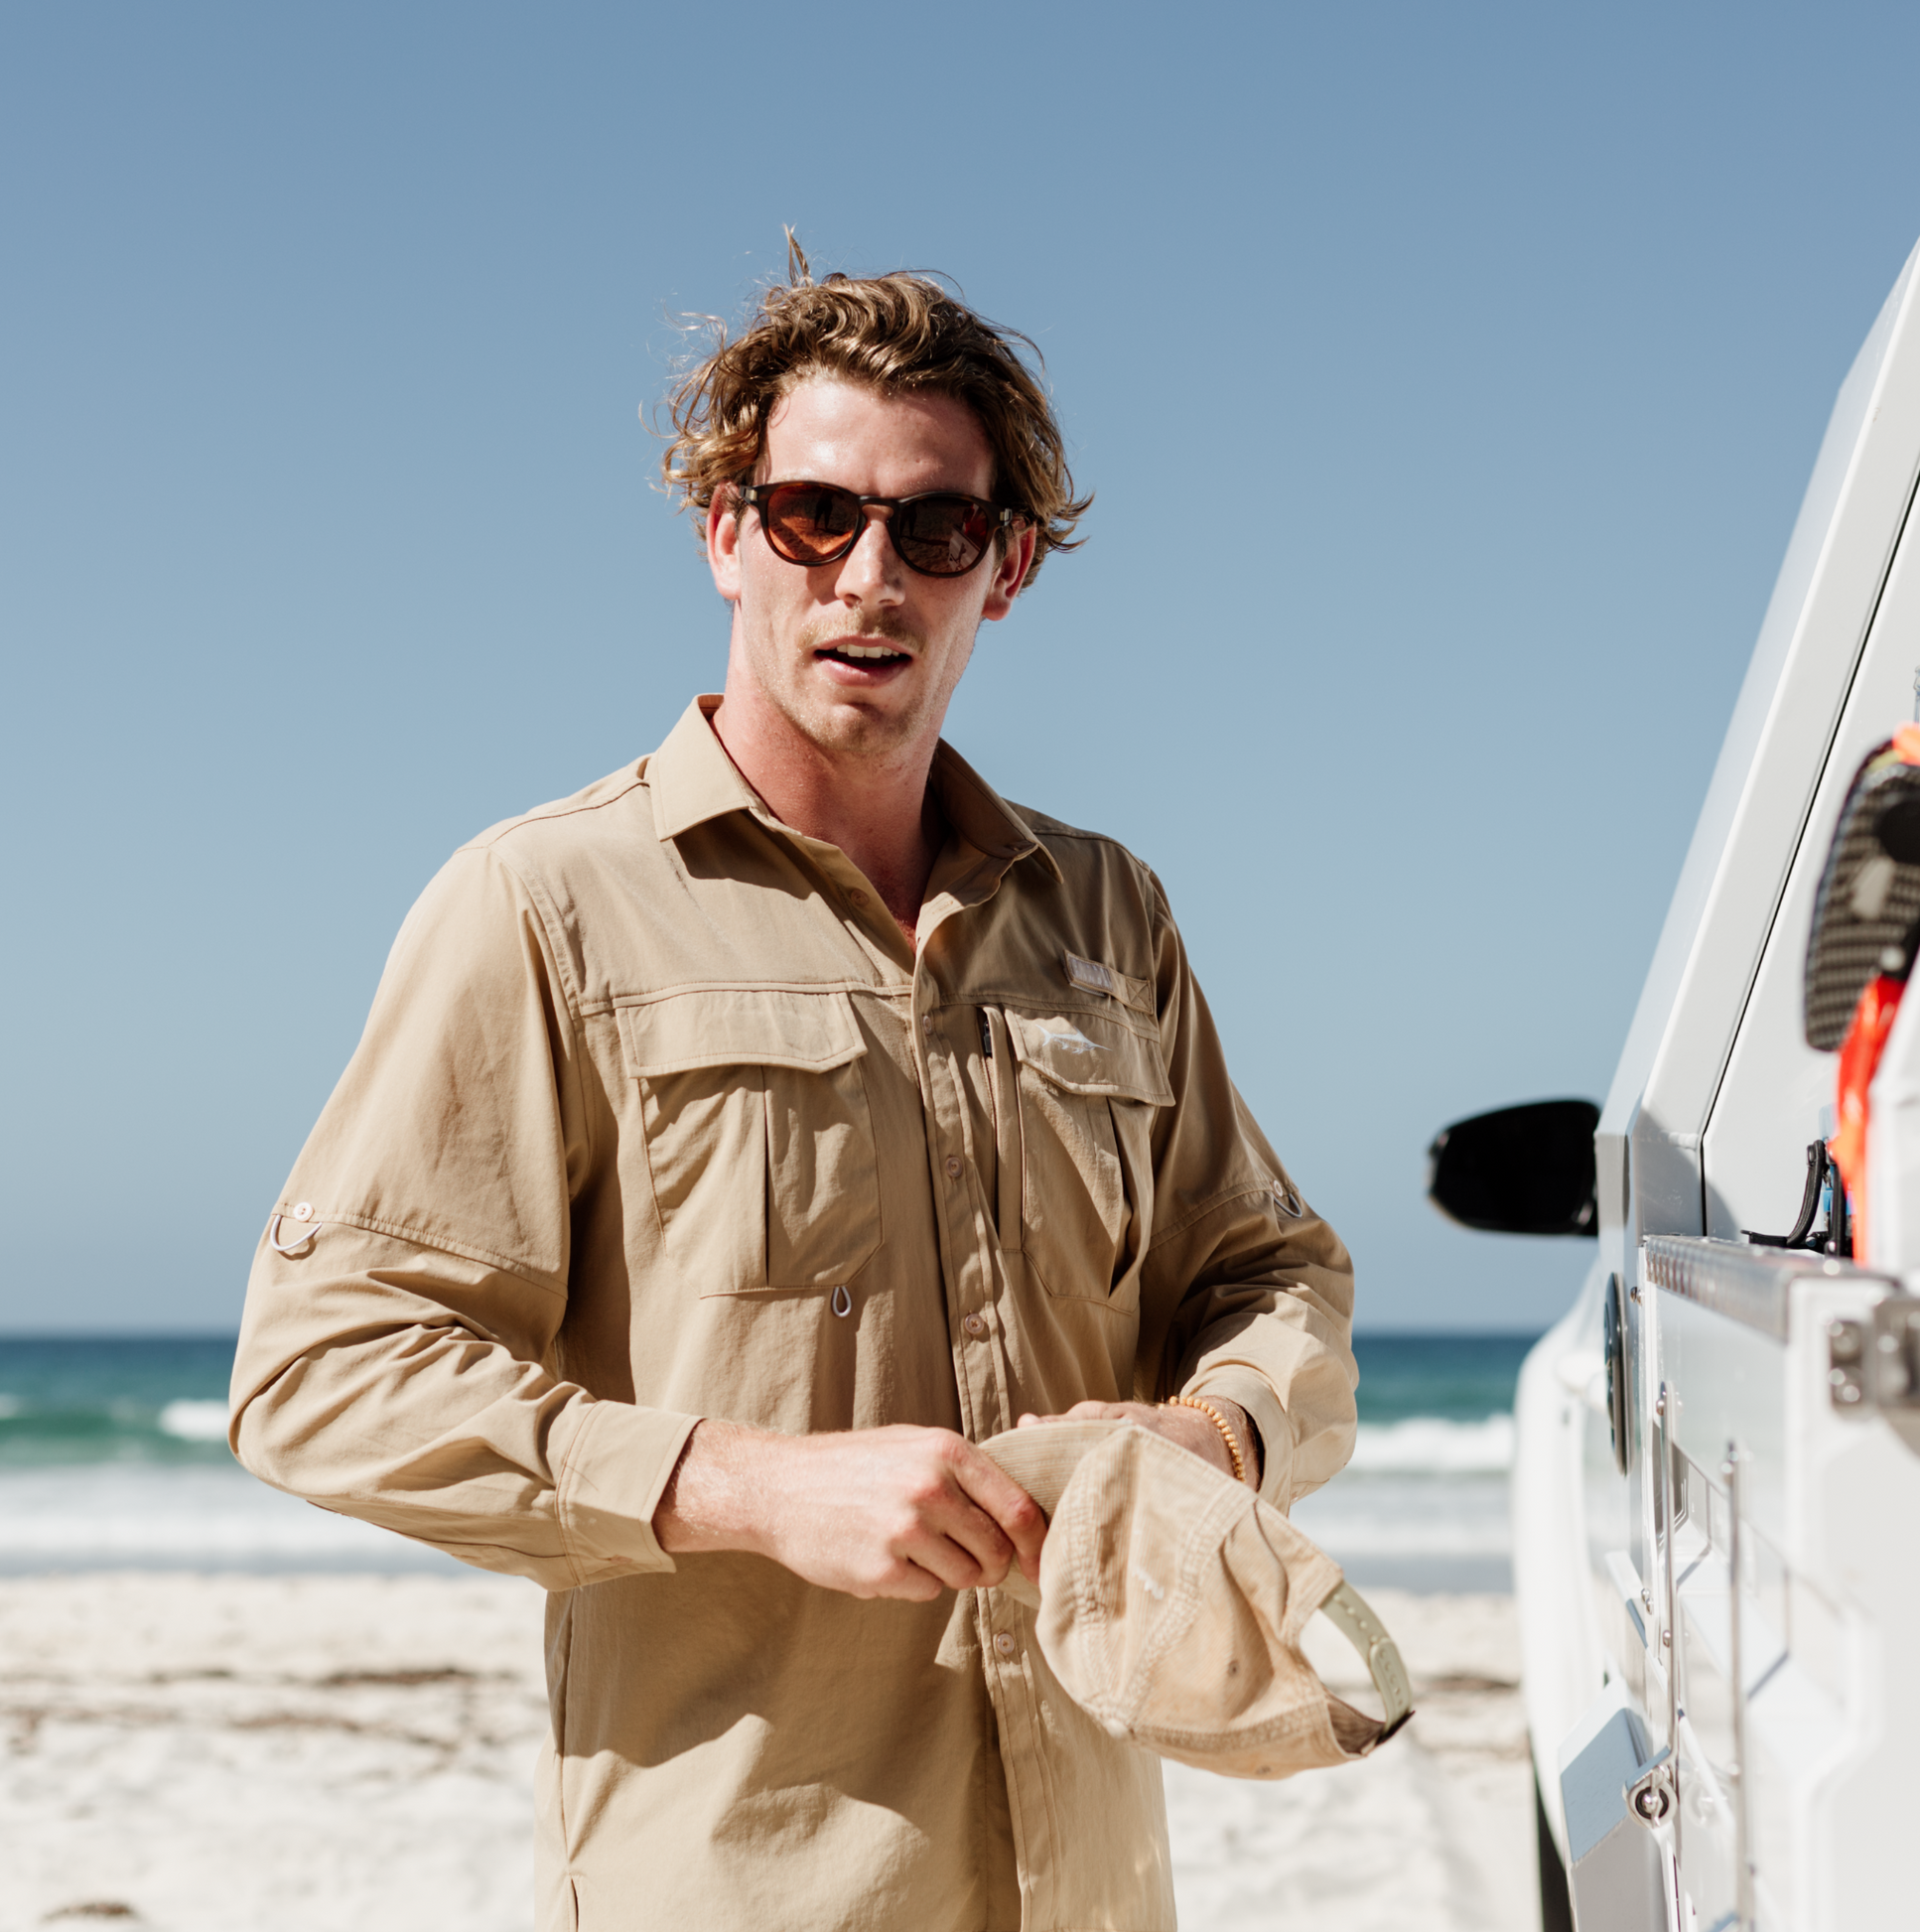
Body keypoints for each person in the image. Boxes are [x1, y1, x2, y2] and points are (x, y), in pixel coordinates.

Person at [230, 245, 1357, 1932]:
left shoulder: (1108, 914)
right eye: (813, 514)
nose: (869, 575)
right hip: (751, 1884)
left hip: (1094, 1885)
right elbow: (320, 1372)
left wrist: (1212, 1428)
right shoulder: (544, 904)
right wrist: (747, 1485)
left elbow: (1274, 1273)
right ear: (725, 538)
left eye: (935, 527)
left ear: (1010, 568)